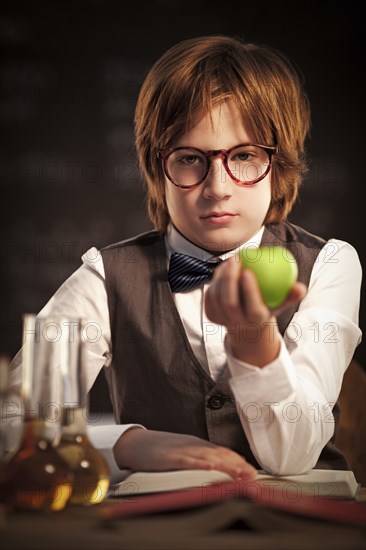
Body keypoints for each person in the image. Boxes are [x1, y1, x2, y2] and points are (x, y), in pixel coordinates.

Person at [8, 35, 362, 484]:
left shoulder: (330, 264)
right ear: (159, 168)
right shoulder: (105, 276)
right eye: (191, 158)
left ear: (280, 162)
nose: (217, 187)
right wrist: (124, 444)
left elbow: (292, 457)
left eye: (246, 156)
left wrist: (255, 345)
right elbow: (13, 419)